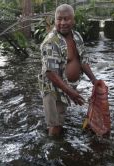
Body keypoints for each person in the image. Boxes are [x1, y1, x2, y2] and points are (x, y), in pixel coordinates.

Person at [39, 4, 97, 136]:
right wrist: (71, 93)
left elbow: (83, 61)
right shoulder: (51, 42)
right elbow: (51, 73)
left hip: (68, 87)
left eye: (67, 19)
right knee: (55, 125)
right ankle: (54, 150)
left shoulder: (77, 36)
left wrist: (94, 80)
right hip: (53, 89)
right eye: (59, 19)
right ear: (55, 20)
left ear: (73, 20)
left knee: (61, 118)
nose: (63, 23)